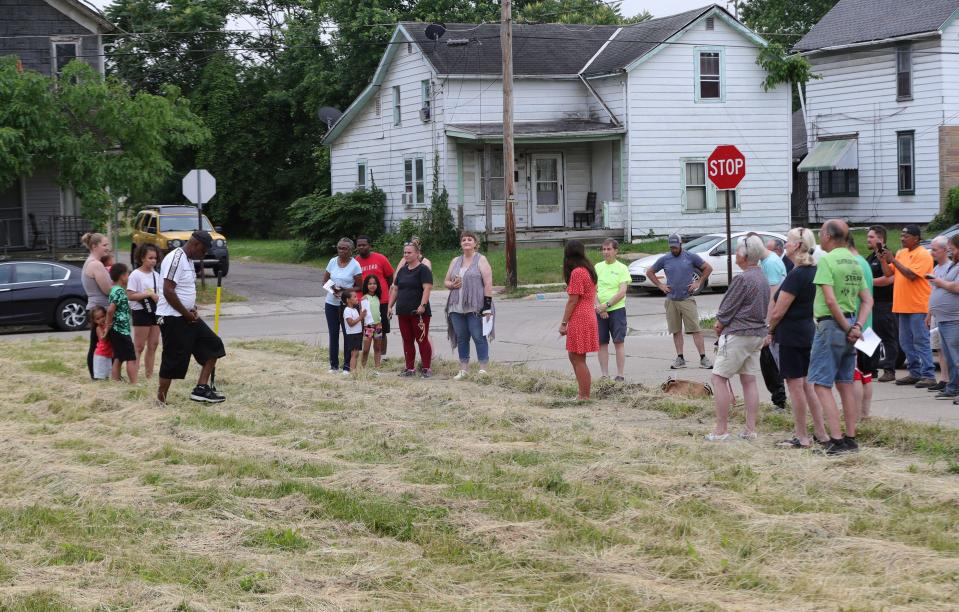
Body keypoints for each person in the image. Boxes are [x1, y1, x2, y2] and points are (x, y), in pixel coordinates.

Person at [809, 220, 872, 455]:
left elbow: (830, 300)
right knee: (845, 383)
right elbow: (867, 300)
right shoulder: (855, 262)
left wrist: (846, 327)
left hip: (831, 326)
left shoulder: (826, 260)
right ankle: (850, 438)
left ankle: (835, 440)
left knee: (821, 384)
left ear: (827, 235)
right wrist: (857, 326)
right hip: (851, 324)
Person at [767, 228, 828, 448]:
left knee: (795, 387)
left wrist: (769, 329)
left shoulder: (796, 274)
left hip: (791, 335)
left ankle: (802, 436)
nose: (786, 245)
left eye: (789, 241)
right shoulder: (813, 271)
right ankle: (821, 433)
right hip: (807, 331)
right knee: (807, 386)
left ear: (798, 246)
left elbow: (778, 311)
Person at [706, 236, 768, 442]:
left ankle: (721, 429)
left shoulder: (742, 279)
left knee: (719, 378)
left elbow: (727, 308)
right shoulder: (762, 277)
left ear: (744, 255)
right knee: (749, 380)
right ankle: (750, 429)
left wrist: (719, 324)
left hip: (738, 334)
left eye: (738, 251)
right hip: (756, 334)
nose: (735, 255)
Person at [156, 231, 227, 404]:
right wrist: (186, 313)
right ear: (195, 245)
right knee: (173, 359)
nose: (203, 255)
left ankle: (201, 389)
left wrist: (192, 309)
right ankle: (160, 400)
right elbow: (168, 290)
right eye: (203, 251)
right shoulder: (176, 258)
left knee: (214, 345)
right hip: (172, 317)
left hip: (187, 315)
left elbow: (183, 289)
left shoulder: (187, 260)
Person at [647, 233, 713, 370]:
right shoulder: (665, 259)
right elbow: (650, 272)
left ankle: (703, 358)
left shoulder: (690, 257)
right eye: (672, 247)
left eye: (676, 247)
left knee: (695, 329)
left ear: (681, 245)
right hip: (671, 300)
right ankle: (680, 358)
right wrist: (661, 285)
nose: (674, 249)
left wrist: (698, 282)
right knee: (676, 331)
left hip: (687, 299)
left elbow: (708, 268)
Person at [882, 224, 935, 387]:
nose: (902, 238)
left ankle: (929, 375)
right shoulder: (901, 253)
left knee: (920, 340)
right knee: (904, 342)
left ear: (916, 238)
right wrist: (883, 259)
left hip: (918, 305)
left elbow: (911, 275)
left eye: (906, 236)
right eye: (901, 235)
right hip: (902, 305)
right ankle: (914, 372)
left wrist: (893, 261)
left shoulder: (923, 255)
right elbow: (889, 273)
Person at [444, 231, 494, 380]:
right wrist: (452, 284)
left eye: (470, 239)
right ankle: (464, 369)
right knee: (461, 338)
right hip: (456, 306)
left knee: (478, 336)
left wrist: (487, 307)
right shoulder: (455, 261)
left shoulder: (481, 259)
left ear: (475, 243)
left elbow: (488, 283)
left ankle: (483, 369)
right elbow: (446, 281)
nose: (466, 241)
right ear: (461, 243)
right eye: (464, 239)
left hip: (475, 306)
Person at [559, 240, 599, 401]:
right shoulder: (588, 269)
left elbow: (573, 300)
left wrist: (563, 323)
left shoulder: (577, 272)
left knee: (578, 358)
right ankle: (582, 394)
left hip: (580, 316)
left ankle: (584, 396)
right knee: (574, 356)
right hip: (588, 314)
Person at [753, 234, 788, 411]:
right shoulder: (765, 262)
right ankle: (780, 398)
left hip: (778, 320)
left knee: (771, 360)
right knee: (769, 360)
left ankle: (780, 400)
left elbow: (773, 298)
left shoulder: (771, 263)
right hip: (773, 320)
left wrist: (768, 328)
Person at [390, 241, 434, 377]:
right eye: (404, 252)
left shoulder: (423, 269)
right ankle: (410, 368)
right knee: (407, 340)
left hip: (419, 312)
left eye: (409, 252)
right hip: (403, 311)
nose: (406, 255)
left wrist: (423, 305)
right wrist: (390, 306)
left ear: (417, 254)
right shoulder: (402, 270)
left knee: (422, 339)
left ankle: (426, 368)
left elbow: (427, 288)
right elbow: (396, 289)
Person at [323, 238, 363, 373]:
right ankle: (333, 365)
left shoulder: (355, 265)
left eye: (344, 248)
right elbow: (325, 281)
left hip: (347, 306)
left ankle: (347, 366)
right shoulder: (332, 261)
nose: (341, 251)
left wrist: (344, 292)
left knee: (348, 335)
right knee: (333, 334)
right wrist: (333, 290)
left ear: (350, 250)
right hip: (331, 304)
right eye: (339, 248)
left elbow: (359, 286)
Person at [848, 235, 876, 420]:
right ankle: (865, 414)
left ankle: (855, 415)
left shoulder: (851, 263)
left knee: (854, 375)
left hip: (856, 325)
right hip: (869, 326)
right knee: (867, 374)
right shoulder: (865, 262)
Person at [594, 238, 630, 381]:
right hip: (599, 311)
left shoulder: (622, 268)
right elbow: (592, 289)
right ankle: (604, 375)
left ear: (616, 251)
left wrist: (606, 305)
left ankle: (620, 375)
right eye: (604, 249)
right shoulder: (597, 267)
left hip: (617, 310)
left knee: (618, 342)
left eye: (609, 249)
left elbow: (622, 292)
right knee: (602, 342)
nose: (606, 252)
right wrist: (599, 307)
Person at [928, 235, 959, 401]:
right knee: (950, 357)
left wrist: (940, 283)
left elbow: (956, 287)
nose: (951, 252)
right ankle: (953, 387)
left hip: (954, 319)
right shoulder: (952, 266)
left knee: (956, 357)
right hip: (943, 318)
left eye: (953, 249)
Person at [866, 226, 899, 382]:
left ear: (881, 240)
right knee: (869, 335)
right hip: (871, 302)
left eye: (871, 237)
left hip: (884, 303)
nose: (868, 239)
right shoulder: (870, 257)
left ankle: (889, 370)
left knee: (887, 337)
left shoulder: (886, 255)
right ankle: (870, 368)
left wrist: (866, 282)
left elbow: (889, 278)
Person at [126, 244, 162, 379]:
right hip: (141, 312)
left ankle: (149, 376)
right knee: (139, 346)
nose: (153, 261)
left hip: (155, 312)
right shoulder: (135, 275)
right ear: (142, 258)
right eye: (150, 258)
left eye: (155, 258)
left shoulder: (157, 275)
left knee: (153, 344)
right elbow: (130, 295)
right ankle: (133, 378)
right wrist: (147, 294)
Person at [356, 236, 394, 358]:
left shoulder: (380, 258)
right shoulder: (355, 262)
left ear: (369, 246)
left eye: (364, 245)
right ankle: (364, 355)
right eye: (359, 245)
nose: (361, 247)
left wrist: (385, 292)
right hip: (363, 302)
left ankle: (382, 356)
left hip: (381, 301)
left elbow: (390, 277)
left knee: (381, 330)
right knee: (365, 329)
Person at [81, 232, 113, 379]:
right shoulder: (96, 264)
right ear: (94, 246)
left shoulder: (91, 262)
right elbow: (107, 290)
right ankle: (97, 375)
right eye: (104, 245)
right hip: (99, 310)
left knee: (98, 344)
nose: (108, 248)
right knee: (97, 345)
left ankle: (101, 374)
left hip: (96, 308)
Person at [104, 263, 138, 384]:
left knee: (118, 357)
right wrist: (107, 325)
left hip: (116, 330)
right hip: (121, 329)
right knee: (131, 358)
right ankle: (134, 383)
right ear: (122, 276)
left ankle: (116, 381)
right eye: (128, 274)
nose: (129, 277)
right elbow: (110, 309)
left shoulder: (113, 290)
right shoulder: (120, 292)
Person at [361, 275, 384, 368]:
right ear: (366, 285)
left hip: (378, 326)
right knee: (366, 349)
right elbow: (362, 314)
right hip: (368, 327)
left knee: (378, 348)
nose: (372, 285)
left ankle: (377, 367)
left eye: (374, 283)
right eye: (370, 283)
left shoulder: (378, 297)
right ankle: (362, 367)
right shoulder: (364, 298)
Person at [341, 289, 367, 374]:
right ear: (348, 300)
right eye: (354, 297)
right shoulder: (347, 310)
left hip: (357, 334)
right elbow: (351, 323)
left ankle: (354, 370)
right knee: (354, 354)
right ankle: (352, 372)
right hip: (352, 335)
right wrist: (361, 317)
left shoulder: (354, 309)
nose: (357, 298)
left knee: (356, 354)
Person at [90, 306, 113, 381]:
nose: (101, 319)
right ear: (94, 321)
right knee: (101, 371)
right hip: (101, 354)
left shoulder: (108, 324)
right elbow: (103, 339)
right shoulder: (98, 328)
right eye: (98, 319)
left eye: (103, 316)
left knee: (108, 371)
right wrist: (107, 330)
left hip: (108, 353)